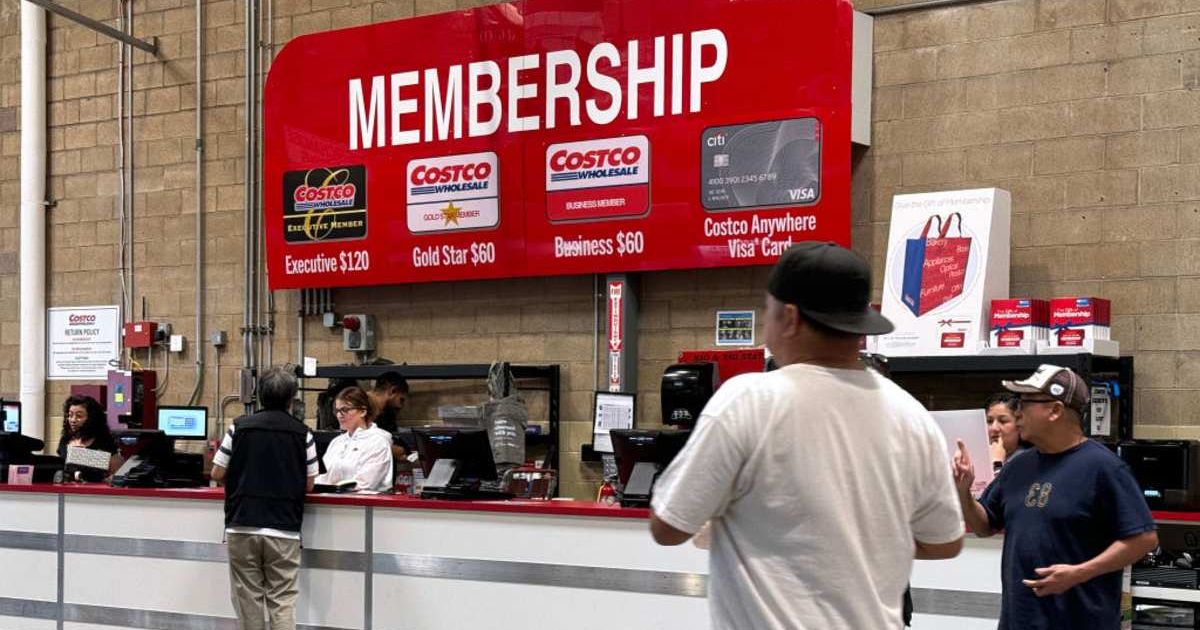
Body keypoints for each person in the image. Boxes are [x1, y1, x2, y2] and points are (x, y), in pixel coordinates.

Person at [649, 241, 965, 629]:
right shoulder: (912, 416)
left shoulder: (748, 400)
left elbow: (668, 527)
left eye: (767, 312)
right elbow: (945, 542)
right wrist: (862, 544)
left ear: (790, 317)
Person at [952, 364, 1158, 629]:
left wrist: (1079, 573)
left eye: (1024, 403)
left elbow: (1144, 539)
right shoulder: (1018, 465)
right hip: (1019, 621)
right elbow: (983, 525)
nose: (1017, 413)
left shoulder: (1103, 467)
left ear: (1055, 410)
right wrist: (963, 490)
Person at [211, 366, 318, 630]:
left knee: (248, 599)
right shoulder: (303, 433)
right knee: (282, 600)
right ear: (292, 399)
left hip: (241, 523)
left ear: (259, 396)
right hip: (284, 529)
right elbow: (309, 485)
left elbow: (217, 471)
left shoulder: (238, 428)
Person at [315, 386, 393, 492]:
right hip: (332, 502)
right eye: (337, 410)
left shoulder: (378, 442)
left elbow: (366, 483)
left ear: (363, 411)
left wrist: (334, 488)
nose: (339, 415)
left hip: (364, 505)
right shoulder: (336, 442)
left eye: (345, 410)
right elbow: (321, 476)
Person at [56, 394, 122, 477]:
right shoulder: (65, 440)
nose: (73, 420)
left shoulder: (105, 441)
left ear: (92, 418)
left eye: (79, 416)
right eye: (70, 415)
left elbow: (117, 472)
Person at [985, 392, 1026, 470]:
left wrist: (997, 463)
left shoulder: (1029, 460)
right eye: (989, 421)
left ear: (1019, 424)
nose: (994, 428)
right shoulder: (979, 457)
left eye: (1003, 421)